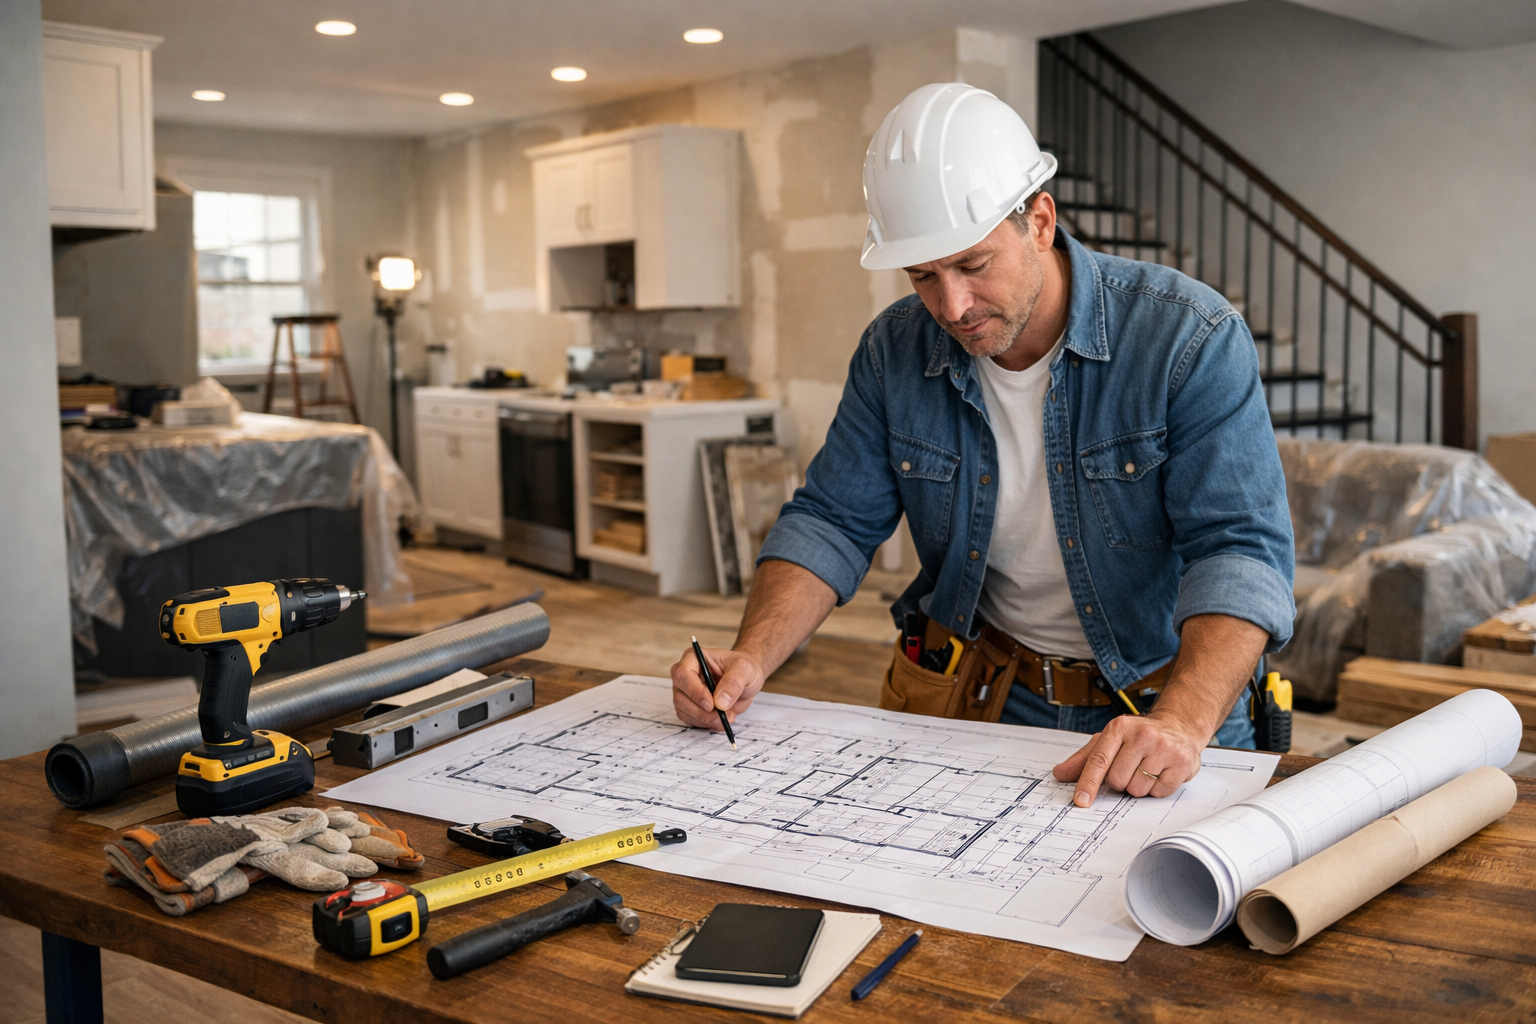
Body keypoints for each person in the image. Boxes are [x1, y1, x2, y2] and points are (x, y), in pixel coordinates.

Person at [671, 83, 1294, 808]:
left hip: (1171, 704)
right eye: (924, 276)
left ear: (1039, 220)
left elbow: (1241, 549)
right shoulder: (893, 350)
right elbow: (832, 519)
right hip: (989, 693)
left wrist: (1182, 722)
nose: (952, 307)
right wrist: (751, 655)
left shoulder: (1187, 337)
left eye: (972, 265)